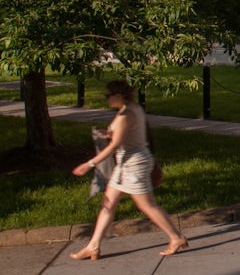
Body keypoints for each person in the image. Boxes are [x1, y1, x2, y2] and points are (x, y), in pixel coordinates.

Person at [69, 81, 190, 260]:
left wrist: (90, 164)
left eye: (109, 95)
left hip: (134, 165)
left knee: (146, 204)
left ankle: (176, 237)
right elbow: (125, 136)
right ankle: (93, 246)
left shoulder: (127, 114)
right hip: (125, 164)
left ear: (120, 95)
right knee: (108, 203)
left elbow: (116, 145)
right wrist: (109, 134)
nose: (106, 98)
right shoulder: (132, 109)